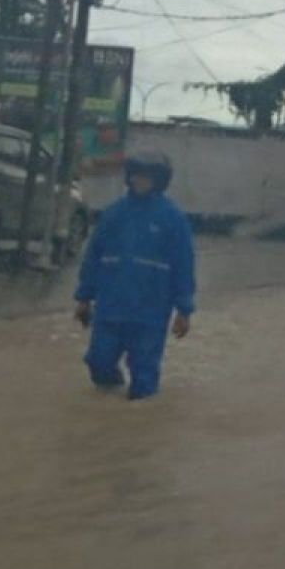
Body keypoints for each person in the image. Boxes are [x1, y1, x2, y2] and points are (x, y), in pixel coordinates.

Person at [74, 150, 196, 401]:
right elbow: (93, 258)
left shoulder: (172, 219)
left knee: (143, 380)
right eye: (136, 176)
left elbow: (184, 266)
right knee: (98, 362)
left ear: (159, 180)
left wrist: (184, 310)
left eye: (146, 177)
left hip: (150, 314)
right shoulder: (114, 215)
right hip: (110, 308)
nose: (139, 181)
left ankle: (138, 425)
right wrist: (83, 298)